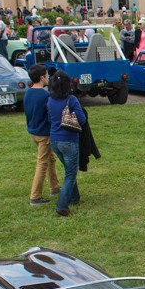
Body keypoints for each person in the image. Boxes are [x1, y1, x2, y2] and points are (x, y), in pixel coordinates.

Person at [46, 71, 86, 217]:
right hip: (69, 140)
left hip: (55, 140)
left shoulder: (50, 100)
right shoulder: (72, 100)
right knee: (71, 174)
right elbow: (82, 119)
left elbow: (50, 119)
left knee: (69, 170)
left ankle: (74, 197)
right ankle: (62, 206)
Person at [24, 65, 60, 205]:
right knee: (42, 163)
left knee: (51, 159)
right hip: (44, 134)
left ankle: (55, 187)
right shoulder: (45, 96)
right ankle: (35, 196)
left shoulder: (28, 93)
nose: (48, 77)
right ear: (41, 77)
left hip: (33, 132)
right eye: (46, 75)